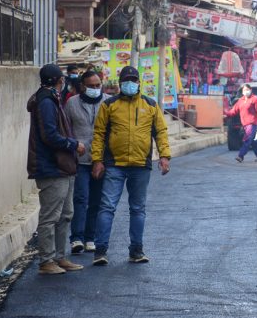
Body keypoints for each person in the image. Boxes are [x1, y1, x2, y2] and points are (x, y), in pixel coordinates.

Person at [90, 66, 171, 266]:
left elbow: (160, 132)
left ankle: (136, 251)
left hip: (141, 165)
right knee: (107, 207)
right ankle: (100, 251)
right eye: (127, 80)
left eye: (133, 80)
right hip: (114, 165)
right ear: (120, 83)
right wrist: (97, 160)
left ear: (139, 83)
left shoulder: (150, 105)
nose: (130, 83)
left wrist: (164, 156)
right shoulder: (109, 105)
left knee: (137, 208)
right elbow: (99, 134)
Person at [27, 64, 85, 275]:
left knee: (66, 214)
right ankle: (46, 260)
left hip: (63, 167)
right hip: (51, 167)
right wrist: (72, 144)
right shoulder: (46, 102)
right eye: (62, 78)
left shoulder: (53, 99)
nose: (65, 81)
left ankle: (60, 257)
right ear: (57, 80)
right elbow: (49, 135)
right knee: (51, 216)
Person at [65, 70, 109, 254]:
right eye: (91, 86)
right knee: (80, 198)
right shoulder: (72, 103)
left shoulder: (109, 102)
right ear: (83, 86)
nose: (94, 89)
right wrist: (73, 146)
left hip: (102, 159)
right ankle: (77, 238)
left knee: (97, 201)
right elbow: (66, 128)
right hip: (80, 160)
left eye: (97, 85)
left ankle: (91, 237)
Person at [224, 83, 257, 163]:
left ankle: (241, 156)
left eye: (247, 90)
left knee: (247, 140)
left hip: (252, 123)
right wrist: (226, 115)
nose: (245, 91)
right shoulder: (241, 100)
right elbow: (234, 110)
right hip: (245, 124)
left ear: (250, 90)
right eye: (244, 90)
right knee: (252, 140)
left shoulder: (255, 99)